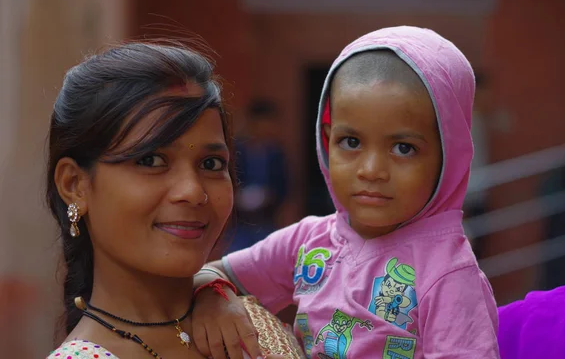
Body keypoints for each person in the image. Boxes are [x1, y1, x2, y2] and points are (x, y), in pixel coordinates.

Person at [191, 26, 500, 359]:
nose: (370, 170)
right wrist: (216, 298)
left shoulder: (448, 275)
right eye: (351, 142)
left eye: (403, 148)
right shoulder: (309, 242)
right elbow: (215, 272)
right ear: (327, 139)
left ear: (448, 155)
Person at [44, 42, 285, 359]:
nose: (193, 191)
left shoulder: (252, 327)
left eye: (211, 164)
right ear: (75, 185)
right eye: (150, 160)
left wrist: (212, 287)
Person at [225, 99, 289, 253]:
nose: (267, 128)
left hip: (266, 219)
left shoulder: (276, 153)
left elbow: (285, 186)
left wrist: (269, 196)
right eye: (263, 122)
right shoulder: (236, 150)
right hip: (240, 221)